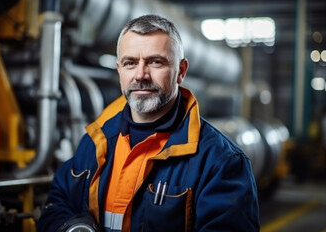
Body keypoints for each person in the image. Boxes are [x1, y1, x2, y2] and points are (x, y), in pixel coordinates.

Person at [37, 14, 260, 232]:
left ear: (181, 71)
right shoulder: (95, 142)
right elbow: (57, 204)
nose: (141, 75)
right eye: (130, 63)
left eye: (155, 62)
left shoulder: (221, 161)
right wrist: (74, 228)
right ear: (119, 70)